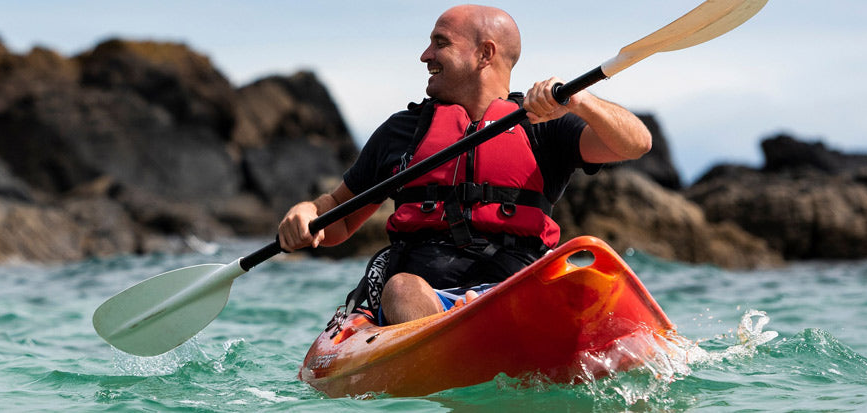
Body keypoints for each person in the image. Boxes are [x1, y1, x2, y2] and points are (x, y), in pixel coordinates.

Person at [277, 5, 651, 326]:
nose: (425, 55)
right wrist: (307, 210)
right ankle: (445, 347)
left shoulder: (543, 125)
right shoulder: (402, 131)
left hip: (513, 291)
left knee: (583, 274)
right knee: (402, 288)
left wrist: (579, 101)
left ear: (484, 54)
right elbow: (338, 221)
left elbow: (636, 143)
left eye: (440, 43)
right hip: (422, 301)